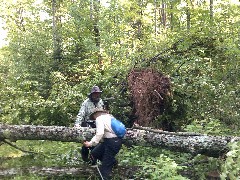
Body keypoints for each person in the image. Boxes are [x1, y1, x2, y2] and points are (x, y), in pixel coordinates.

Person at [84, 108, 123, 180]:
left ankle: (105, 176)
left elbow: (100, 133)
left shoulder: (99, 119)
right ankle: (113, 162)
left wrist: (90, 143)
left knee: (105, 167)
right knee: (95, 153)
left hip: (112, 142)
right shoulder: (110, 117)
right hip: (113, 141)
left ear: (95, 114)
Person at [74, 85, 104, 162]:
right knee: (87, 143)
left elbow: (103, 113)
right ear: (91, 94)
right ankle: (86, 158)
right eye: (95, 94)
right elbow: (81, 114)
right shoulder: (86, 103)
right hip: (87, 124)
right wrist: (77, 124)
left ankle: (94, 159)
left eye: (98, 93)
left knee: (97, 142)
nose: (97, 95)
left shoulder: (100, 101)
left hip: (98, 123)